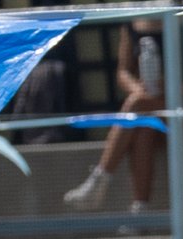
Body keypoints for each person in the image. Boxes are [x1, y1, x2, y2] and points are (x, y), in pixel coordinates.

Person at [60, 18, 168, 220]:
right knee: (143, 128)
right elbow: (123, 72)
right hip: (149, 108)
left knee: (136, 108)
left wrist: (169, 87)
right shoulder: (132, 19)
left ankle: (99, 179)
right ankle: (139, 212)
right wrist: (140, 90)